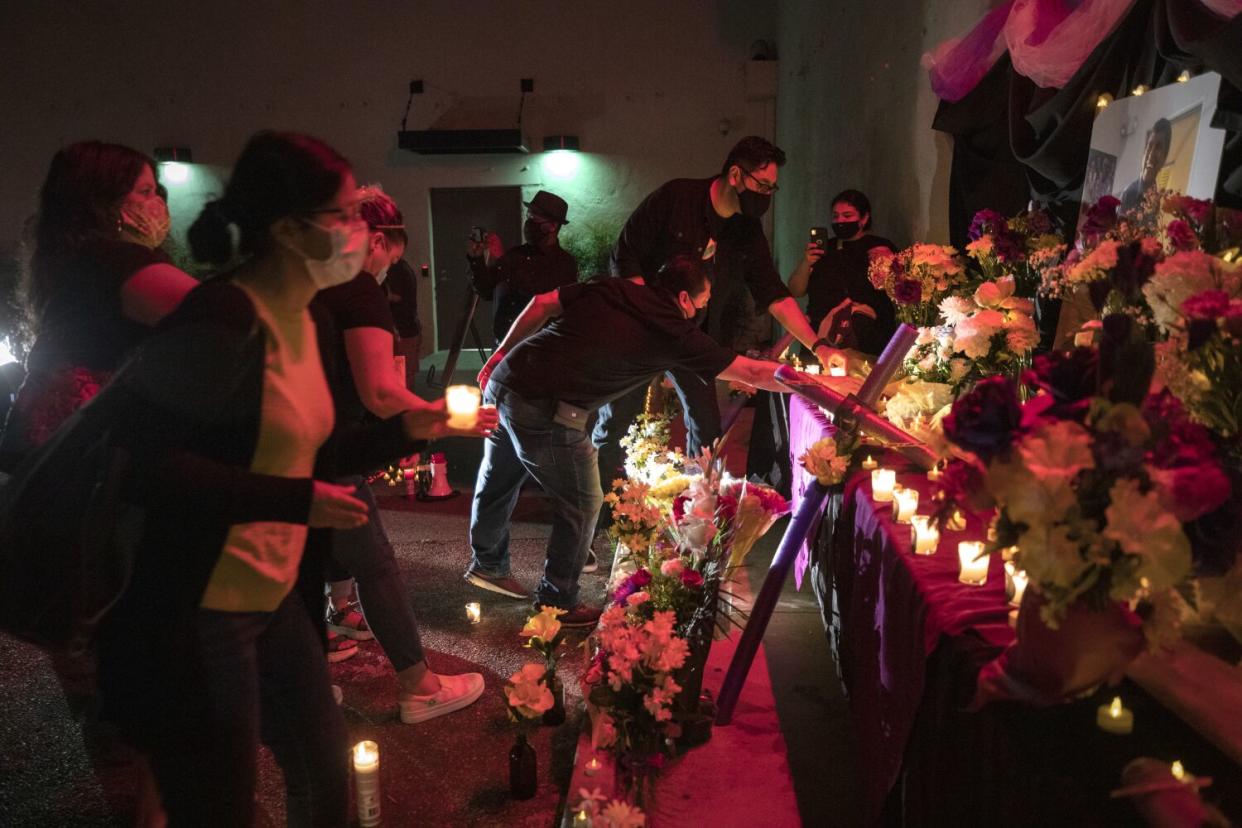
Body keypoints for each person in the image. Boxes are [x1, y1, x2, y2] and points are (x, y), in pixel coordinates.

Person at [95, 131, 494, 826]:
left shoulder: (305, 318)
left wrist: (412, 429)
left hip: (273, 596)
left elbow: (313, 450)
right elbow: (147, 466)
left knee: (325, 774)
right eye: (343, 216)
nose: (361, 232)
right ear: (286, 229)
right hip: (200, 609)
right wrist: (297, 501)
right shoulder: (224, 316)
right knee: (222, 804)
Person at [464, 255, 861, 627]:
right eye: (700, 304)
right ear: (684, 297)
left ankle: (488, 562)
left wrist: (499, 355)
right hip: (546, 407)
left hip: (507, 379)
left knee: (499, 474)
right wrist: (823, 385)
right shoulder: (673, 329)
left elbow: (541, 303)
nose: (699, 313)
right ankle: (557, 600)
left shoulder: (616, 287)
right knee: (584, 499)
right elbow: (752, 373)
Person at [315, 184, 485, 723]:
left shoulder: (304, 283)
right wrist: (449, 419)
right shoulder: (358, 288)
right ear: (379, 238)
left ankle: (312, 667)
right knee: (377, 562)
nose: (392, 266)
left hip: (287, 447)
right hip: (330, 450)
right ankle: (419, 685)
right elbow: (379, 394)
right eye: (394, 251)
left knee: (302, 563)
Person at [594, 136, 842, 486]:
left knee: (706, 425)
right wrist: (648, 314)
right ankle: (601, 504)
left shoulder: (746, 229)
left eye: (773, 188)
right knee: (617, 419)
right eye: (762, 185)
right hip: (639, 328)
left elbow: (772, 292)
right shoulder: (676, 198)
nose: (767, 195)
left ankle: (699, 507)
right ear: (736, 175)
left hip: (690, 335)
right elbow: (625, 256)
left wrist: (818, 346)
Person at [0, 141, 198, 470]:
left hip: (43, 452)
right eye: (145, 192)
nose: (159, 203)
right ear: (104, 202)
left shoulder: (75, 263)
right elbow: (218, 311)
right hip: (80, 460)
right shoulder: (114, 261)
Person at [786, 189, 897, 356]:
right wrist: (806, 262)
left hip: (864, 335)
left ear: (864, 218)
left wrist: (884, 263)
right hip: (819, 335)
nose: (840, 221)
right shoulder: (824, 249)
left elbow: (896, 290)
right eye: (835, 216)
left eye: (847, 216)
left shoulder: (878, 247)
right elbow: (795, 290)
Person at [467, 189, 579, 345]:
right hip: (506, 346)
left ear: (552, 226)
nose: (529, 222)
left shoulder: (564, 263)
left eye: (535, 218)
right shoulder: (515, 255)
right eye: (529, 215)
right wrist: (476, 259)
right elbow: (485, 290)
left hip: (541, 350)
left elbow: (538, 295)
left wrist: (500, 258)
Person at [1118, 118, 1171, 213]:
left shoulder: (1157, 199)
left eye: (1158, 147)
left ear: (1164, 158)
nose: (1151, 154)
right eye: (1149, 146)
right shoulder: (1128, 194)